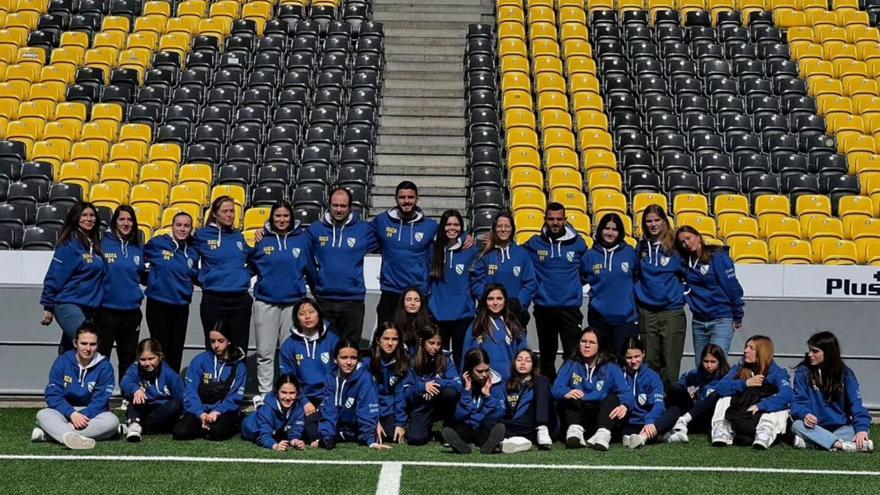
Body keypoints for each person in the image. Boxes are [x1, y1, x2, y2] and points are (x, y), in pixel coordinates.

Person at [249, 201, 315, 405]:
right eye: (277, 216)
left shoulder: (302, 240)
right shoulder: (261, 239)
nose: (282, 220)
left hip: (292, 304)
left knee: (290, 352)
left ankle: (289, 391)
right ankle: (266, 393)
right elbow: (251, 265)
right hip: (265, 302)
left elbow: (310, 268)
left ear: (292, 218)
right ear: (271, 218)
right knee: (265, 351)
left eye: (286, 216)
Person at [523, 202, 588, 380]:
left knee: (572, 355)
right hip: (545, 308)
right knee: (547, 357)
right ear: (544, 220)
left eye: (559, 219)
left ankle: (570, 395)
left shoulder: (579, 244)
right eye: (551, 219)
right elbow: (514, 254)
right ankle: (548, 399)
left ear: (565, 220)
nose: (555, 223)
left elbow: (586, 270)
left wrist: (573, 288)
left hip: (570, 309)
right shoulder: (534, 244)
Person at [307, 187, 379, 345]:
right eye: (335, 205)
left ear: (350, 207)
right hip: (324, 300)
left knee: (350, 351)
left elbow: (391, 246)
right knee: (325, 350)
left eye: (343, 206)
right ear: (329, 205)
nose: (339, 210)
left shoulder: (364, 230)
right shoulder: (315, 229)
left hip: (353, 301)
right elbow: (300, 253)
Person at [32, 323, 118, 449]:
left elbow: (101, 400)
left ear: (98, 344)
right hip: (64, 411)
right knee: (43, 414)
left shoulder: (105, 366)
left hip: (92, 414)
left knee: (112, 422)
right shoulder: (62, 361)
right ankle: (67, 435)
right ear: (75, 343)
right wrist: (72, 414)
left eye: (92, 344)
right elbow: (53, 394)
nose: (88, 348)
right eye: (83, 343)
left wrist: (82, 416)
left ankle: (51, 434)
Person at [552, 327, 634, 451]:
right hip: (577, 414)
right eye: (583, 341)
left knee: (613, 398)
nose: (586, 345)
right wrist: (566, 392)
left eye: (592, 342)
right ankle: (575, 433)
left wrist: (625, 405)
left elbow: (625, 392)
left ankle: (602, 435)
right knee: (568, 397)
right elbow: (556, 388)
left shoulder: (611, 367)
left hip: (600, 416)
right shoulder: (571, 364)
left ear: (599, 346)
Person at [371, 181, 439, 329]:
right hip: (390, 292)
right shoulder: (382, 221)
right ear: (396, 199)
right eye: (402, 197)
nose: (406, 201)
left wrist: (465, 237)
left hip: (417, 294)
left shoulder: (430, 225)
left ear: (417, 199)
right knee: (386, 338)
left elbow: (451, 234)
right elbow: (360, 232)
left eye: (410, 197)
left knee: (416, 340)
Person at [791, 331, 873, 452]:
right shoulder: (803, 372)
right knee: (796, 425)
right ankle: (843, 446)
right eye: (809, 350)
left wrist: (861, 429)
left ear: (828, 353)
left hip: (842, 427)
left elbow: (856, 403)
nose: (809, 354)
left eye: (815, 351)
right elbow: (798, 401)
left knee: (860, 430)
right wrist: (805, 414)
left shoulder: (846, 374)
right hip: (814, 427)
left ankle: (814, 443)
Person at [40, 202, 106, 352]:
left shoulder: (94, 245)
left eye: (92, 215)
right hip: (68, 304)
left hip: (88, 307)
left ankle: (60, 375)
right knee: (88, 344)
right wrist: (48, 306)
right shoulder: (69, 244)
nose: (89, 219)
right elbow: (55, 275)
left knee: (70, 350)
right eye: (84, 215)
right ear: (76, 218)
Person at [634, 205, 687, 388]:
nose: (653, 225)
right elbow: (635, 275)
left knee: (670, 364)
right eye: (649, 221)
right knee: (649, 362)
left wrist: (681, 294)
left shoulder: (676, 247)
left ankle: (670, 406)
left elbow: (690, 274)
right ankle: (653, 403)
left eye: (657, 220)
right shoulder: (641, 247)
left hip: (671, 312)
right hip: (647, 312)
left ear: (665, 222)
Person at [710, 335, 792, 449]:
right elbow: (720, 387)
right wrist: (745, 383)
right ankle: (722, 429)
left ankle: (765, 433)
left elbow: (787, 395)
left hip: (759, 414)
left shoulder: (777, 373)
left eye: (751, 348)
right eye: (746, 347)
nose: (745, 350)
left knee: (782, 408)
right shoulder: (739, 368)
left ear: (762, 352)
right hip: (741, 414)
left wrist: (761, 405)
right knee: (724, 398)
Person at [194, 195, 253, 352]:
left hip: (240, 300)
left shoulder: (238, 236)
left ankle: (237, 377)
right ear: (214, 213)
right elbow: (188, 259)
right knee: (215, 347)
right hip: (214, 300)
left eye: (232, 211)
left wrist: (245, 274)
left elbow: (254, 258)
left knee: (239, 348)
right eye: (225, 211)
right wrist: (203, 278)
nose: (229, 215)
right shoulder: (202, 236)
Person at [676, 225, 744, 360]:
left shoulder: (717, 257)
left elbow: (731, 286)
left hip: (721, 319)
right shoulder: (685, 263)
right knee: (702, 365)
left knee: (716, 364)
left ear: (698, 236)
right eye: (682, 242)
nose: (687, 244)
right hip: (699, 321)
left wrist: (738, 314)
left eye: (688, 238)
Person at [143, 211, 199, 373]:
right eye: (178, 225)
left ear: (191, 229)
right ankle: (156, 384)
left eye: (186, 226)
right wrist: (150, 281)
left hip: (181, 306)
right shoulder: (158, 243)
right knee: (159, 348)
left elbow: (195, 273)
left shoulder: (193, 251)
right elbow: (138, 261)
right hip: (158, 304)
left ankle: (172, 387)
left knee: (176, 348)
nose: (182, 229)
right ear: (172, 226)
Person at [278, 298, 339, 441]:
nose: (307, 317)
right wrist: (304, 402)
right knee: (311, 434)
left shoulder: (333, 340)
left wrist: (327, 399)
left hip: (329, 395)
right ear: (296, 318)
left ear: (319, 314)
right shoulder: (289, 345)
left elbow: (339, 373)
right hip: (303, 397)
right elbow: (289, 379)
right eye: (302, 314)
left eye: (311, 312)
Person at [96, 205, 146, 382]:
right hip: (106, 311)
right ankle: (99, 395)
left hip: (131, 312)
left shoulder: (137, 249)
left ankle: (128, 395)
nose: (126, 223)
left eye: (130, 219)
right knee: (101, 356)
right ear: (115, 222)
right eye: (122, 219)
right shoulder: (102, 244)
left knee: (129, 357)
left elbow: (142, 276)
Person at [173, 322, 246, 441]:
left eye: (220, 341)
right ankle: (204, 425)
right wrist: (200, 413)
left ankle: (235, 421)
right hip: (201, 409)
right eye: (212, 341)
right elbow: (190, 390)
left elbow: (235, 397)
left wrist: (217, 412)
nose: (216, 345)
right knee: (180, 432)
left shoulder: (239, 366)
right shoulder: (199, 361)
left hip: (223, 410)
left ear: (229, 341)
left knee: (217, 432)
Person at [581, 212, 639, 361]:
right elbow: (578, 281)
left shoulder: (630, 253)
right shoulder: (589, 256)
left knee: (624, 363)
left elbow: (639, 279)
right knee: (600, 362)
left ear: (620, 232)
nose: (610, 232)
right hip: (599, 319)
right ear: (600, 230)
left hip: (625, 319)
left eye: (614, 229)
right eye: (607, 228)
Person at [313, 340, 388, 449]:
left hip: (355, 427)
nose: (349, 362)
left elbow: (366, 410)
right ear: (335, 359)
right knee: (310, 424)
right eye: (344, 358)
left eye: (353, 358)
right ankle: (326, 438)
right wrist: (326, 436)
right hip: (337, 425)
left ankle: (340, 436)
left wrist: (370, 441)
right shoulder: (330, 378)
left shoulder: (365, 378)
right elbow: (329, 409)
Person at [428, 209, 479, 364]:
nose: (452, 228)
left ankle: (463, 387)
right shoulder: (432, 249)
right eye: (448, 224)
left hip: (463, 315)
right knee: (438, 360)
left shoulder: (470, 249)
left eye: (456, 225)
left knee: (461, 358)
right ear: (442, 226)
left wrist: (467, 237)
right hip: (437, 314)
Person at [470, 212, 536, 324]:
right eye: (499, 226)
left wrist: (518, 303)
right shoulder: (486, 255)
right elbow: (477, 283)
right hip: (490, 314)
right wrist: (490, 302)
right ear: (494, 229)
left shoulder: (522, 254)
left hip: (515, 314)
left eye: (507, 226)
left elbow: (530, 283)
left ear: (512, 229)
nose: (503, 229)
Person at [656, 343, 730, 443]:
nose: (708, 365)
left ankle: (671, 429)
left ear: (720, 362)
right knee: (676, 391)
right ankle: (654, 431)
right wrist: (685, 389)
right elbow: (684, 379)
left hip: (708, 417)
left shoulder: (726, 378)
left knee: (714, 395)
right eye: (705, 361)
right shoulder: (699, 373)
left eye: (713, 362)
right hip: (691, 412)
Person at [442, 347, 507, 454]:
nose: (484, 375)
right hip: (467, 424)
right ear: (470, 370)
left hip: (483, 423)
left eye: (487, 370)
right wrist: (466, 392)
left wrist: (488, 396)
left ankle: (488, 446)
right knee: (459, 428)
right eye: (479, 371)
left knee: (491, 426)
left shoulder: (495, 384)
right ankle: (460, 446)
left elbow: (500, 413)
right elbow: (459, 415)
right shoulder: (461, 384)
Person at [405, 325, 462, 446]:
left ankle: (449, 430)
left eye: (439, 344)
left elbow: (458, 385)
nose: (435, 347)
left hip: (439, 402)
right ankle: (419, 426)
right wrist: (422, 387)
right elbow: (405, 392)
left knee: (451, 393)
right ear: (422, 341)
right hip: (421, 404)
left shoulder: (445, 360)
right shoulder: (412, 361)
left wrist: (437, 384)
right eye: (431, 343)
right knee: (416, 439)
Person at [119, 338, 184, 442]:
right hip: (144, 406)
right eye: (143, 359)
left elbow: (181, 396)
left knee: (175, 406)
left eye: (151, 358)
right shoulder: (135, 368)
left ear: (160, 357)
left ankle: (137, 426)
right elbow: (125, 382)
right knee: (133, 400)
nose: (147, 363)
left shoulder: (169, 374)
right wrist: (136, 390)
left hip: (162, 410)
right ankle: (136, 425)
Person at [462, 284, 526, 383]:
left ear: (505, 300)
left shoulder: (513, 324)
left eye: (499, 298)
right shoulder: (476, 326)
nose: (495, 303)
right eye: (490, 299)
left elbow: (523, 353)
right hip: (484, 382)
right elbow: (466, 356)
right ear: (485, 301)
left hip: (510, 383)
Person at [364, 322, 410, 445]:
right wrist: (374, 420)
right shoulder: (367, 363)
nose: (390, 343)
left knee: (391, 436)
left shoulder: (403, 362)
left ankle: (407, 424)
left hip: (390, 409)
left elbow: (401, 395)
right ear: (378, 340)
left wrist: (400, 423)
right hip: (370, 409)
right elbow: (366, 395)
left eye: (394, 339)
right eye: (386, 339)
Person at [499, 349, 552, 453]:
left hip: (536, 420)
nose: (523, 363)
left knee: (542, 380)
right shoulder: (507, 385)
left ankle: (542, 428)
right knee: (486, 422)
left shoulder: (540, 382)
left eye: (528, 361)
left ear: (534, 365)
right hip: (520, 425)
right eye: (519, 360)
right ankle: (515, 439)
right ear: (514, 363)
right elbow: (502, 411)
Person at [619, 338, 665, 449]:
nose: (633, 361)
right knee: (625, 433)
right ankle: (660, 436)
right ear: (623, 357)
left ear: (643, 354)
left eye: (637, 356)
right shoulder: (618, 375)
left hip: (649, 421)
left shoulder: (652, 376)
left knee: (673, 411)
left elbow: (658, 404)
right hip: (629, 423)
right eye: (629, 358)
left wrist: (649, 421)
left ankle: (646, 436)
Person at [241, 374, 307, 451]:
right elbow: (263, 437)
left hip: (277, 431)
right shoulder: (267, 411)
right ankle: (259, 405)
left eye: (292, 393)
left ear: (297, 393)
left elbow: (295, 432)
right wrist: (275, 446)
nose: (288, 397)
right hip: (250, 428)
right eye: (284, 392)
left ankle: (259, 404)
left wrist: (296, 441)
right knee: (264, 416)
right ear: (277, 392)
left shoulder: (299, 407)